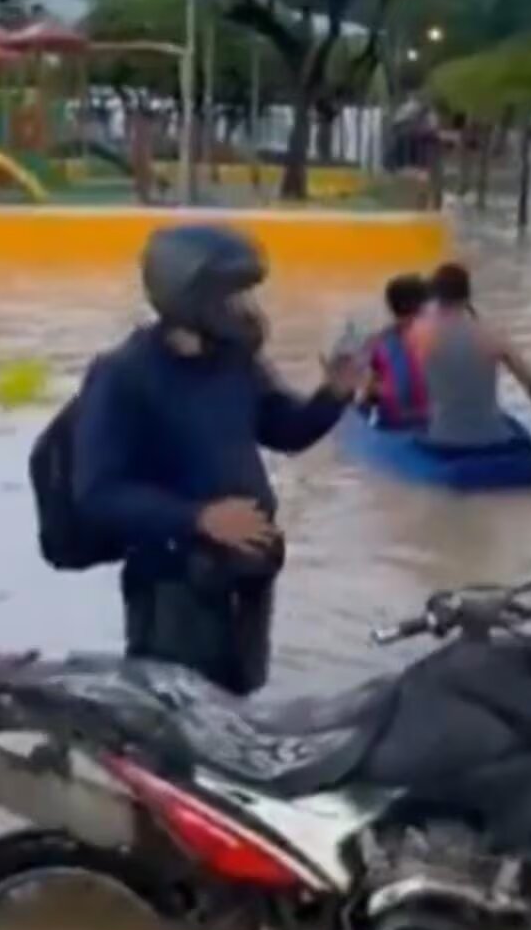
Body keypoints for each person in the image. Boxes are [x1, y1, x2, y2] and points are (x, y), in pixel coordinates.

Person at [71, 224, 358, 696]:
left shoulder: (235, 362)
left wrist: (333, 396)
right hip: (173, 589)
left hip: (244, 580)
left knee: (237, 708)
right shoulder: (123, 374)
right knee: (176, 714)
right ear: (188, 296)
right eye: (230, 297)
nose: (245, 311)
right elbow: (97, 493)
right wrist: (199, 518)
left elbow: (284, 430)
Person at [415, 261, 531, 447]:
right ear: (468, 295)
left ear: (435, 295)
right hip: (492, 436)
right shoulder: (491, 333)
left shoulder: (420, 334)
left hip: (443, 437)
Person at [361, 273, 430, 429]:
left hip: (391, 427)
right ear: (425, 306)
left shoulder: (376, 343)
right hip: (433, 427)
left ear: (391, 306)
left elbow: (370, 395)